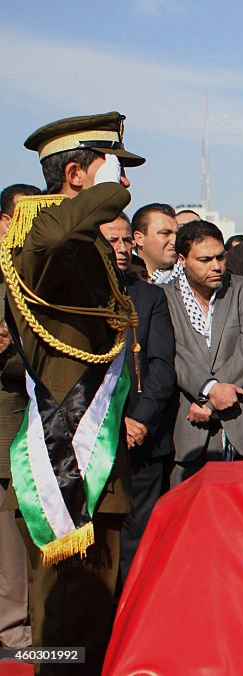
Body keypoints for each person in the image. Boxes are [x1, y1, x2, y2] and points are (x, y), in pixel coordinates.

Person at [2, 111, 143, 669]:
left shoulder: (87, 246)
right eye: (115, 171)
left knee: (90, 619)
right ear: (79, 175)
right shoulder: (39, 235)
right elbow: (52, 233)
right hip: (66, 463)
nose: (125, 186)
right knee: (64, 626)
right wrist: (104, 192)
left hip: (96, 459)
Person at [97, 214, 177, 584]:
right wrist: (113, 422)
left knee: (138, 540)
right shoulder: (77, 295)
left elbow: (161, 367)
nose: (122, 248)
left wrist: (140, 419)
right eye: (113, 240)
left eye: (127, 240)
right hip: (93, 437)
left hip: (142, 438)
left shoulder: (148, 296)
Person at [162, 221, 243, 485]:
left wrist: (210, 400)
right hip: (186, 428)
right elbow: (174, 352)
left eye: (220, 256)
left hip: (237, 424)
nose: (217, 266)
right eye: (205, 259)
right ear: (182, 259)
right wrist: (209, 388)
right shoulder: (163, 297)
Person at [0, 183, 40, 650]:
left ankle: (29, 626)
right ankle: (14, 632)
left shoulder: (31, 270)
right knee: (10, 537)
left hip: (38, 423)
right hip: (9, 420)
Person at [131, 202, 178, 283]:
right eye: (165, 233)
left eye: (177, 234)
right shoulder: (120, 277)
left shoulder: (188, 281)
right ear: (139, 238)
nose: (174, 241)